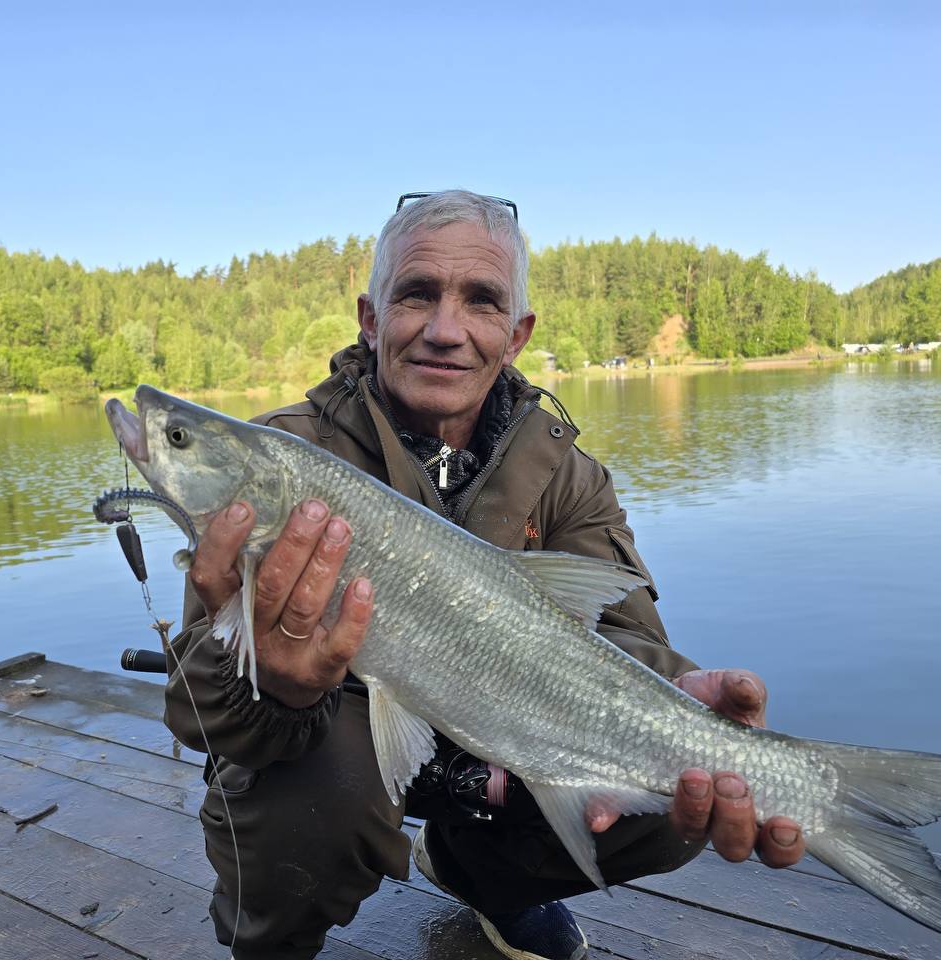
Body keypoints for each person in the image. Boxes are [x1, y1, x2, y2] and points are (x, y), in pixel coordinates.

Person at [165, 190, 806, 960]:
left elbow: (625, 632)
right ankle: (267, 945)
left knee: (667, 800)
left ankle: (492, 884)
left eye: (481, 301)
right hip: (339, 739)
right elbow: (194, 707)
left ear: (515, 333)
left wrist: (674, 702)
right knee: (319, 787)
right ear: (370, 320)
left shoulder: (568, 475)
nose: (445, 330)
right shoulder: (281, 461)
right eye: (416, 295)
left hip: (509, 739)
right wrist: (281, 683)